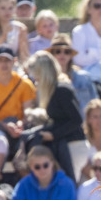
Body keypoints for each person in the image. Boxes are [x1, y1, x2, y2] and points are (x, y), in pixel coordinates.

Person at [25, 50, 86, 180]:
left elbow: (77, 120)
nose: (34, 78)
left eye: (36, 74)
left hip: (73, 145)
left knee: (70, 183)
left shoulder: (61, 90)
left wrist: (54, 135)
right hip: (64, 144)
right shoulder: (52, 90)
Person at [0, 46, 37, 149]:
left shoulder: (25, 84)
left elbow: (28, 112)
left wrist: (20, 124)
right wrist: (5, 126)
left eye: (7, 60)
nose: (4, 64)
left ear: (14, 61)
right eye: (0, 60)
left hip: (20, 126)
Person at [47, 34, 99, 113]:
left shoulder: (84, 77)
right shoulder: (46, 79)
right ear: (52, 55)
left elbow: (95, 102)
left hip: (83, 119)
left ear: (71, 55)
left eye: (67, 52)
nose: (62, 54)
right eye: (57, 51)